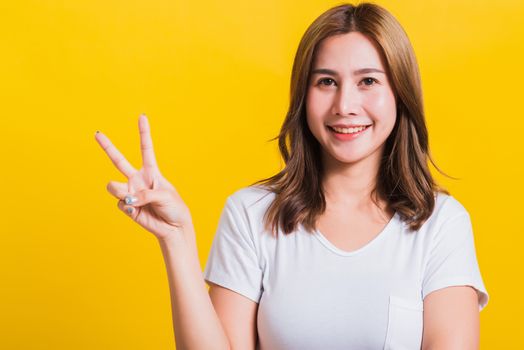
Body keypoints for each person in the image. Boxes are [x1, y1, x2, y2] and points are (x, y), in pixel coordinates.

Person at [95, 2, 489, 349]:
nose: (345, 104)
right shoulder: (250, 214)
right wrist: (176, 239)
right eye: (326, 82)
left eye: (368, 81)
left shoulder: (442, 225)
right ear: (304, 95)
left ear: (400, 93)